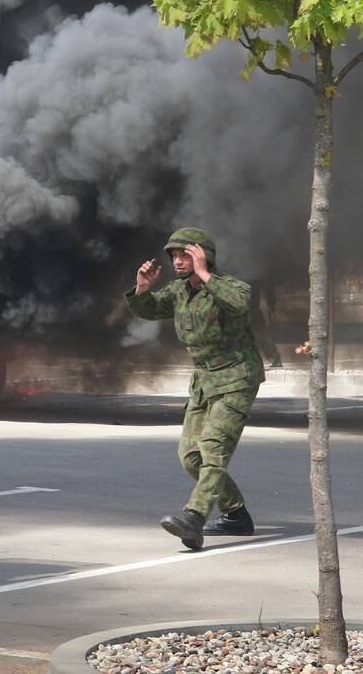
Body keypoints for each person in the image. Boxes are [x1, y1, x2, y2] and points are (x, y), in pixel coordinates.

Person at [126, 227, 264, 551]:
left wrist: (205, 274)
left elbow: (239, 304)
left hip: (236, 379)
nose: (177, 260)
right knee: (190, 456)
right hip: (204, 383)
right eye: (174, 255)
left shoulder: (230, 287)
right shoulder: (178, 293)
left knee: (213, 449)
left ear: (204, 256)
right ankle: (236, 515)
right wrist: (142, 289)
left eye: (184, 254)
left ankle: (194, 517)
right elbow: (148, 308)